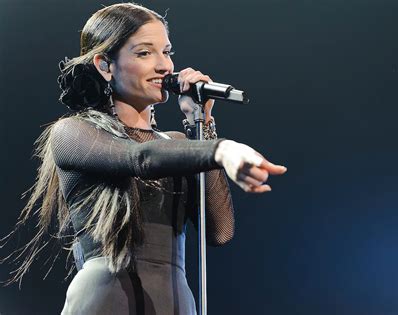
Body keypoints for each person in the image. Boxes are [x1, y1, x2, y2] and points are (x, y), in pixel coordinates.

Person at [5, 3, 286, 314]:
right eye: (144, 53)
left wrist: (201, 125)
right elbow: (139, 158)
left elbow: (219, 232)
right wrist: (221, 150)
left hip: (174, 301)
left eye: (166, 52)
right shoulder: (73, 133)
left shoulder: (179, 144)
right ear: (104, 65)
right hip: (106, 300)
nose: (165, 66)